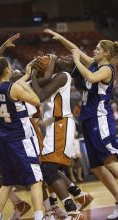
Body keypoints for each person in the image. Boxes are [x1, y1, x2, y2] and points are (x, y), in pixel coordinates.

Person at [44, 28, 118, 220]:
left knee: (110, 161)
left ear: (106, 53)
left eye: (97, 48)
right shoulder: (95, 64)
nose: (93, 51)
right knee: (96, 166)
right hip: (88, 118)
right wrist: (61, 38)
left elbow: (91, 78)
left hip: (99, 119)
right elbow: (75, 49)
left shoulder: (106, 69)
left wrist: (76, 60)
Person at [0, 35, 44, 220]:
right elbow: (36, 100)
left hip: (3, 140)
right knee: (36, 181)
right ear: (9, 70)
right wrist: (28, 79)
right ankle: (40, 216)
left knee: (7, 183)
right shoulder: (15, 89)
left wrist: (3, 46)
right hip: (20, 139)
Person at [31, 54, 89, 220]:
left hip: (61, 125)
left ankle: (72, 210)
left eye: (66, 59)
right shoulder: (56, 77)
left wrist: (35, 73)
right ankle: (79, 196)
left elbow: (40, 96)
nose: (61, 58)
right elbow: (39, 84)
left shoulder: (64, 76)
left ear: (69, 67)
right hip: (55, 124)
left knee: (48, 169)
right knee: (49, 168)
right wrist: (36, 69)